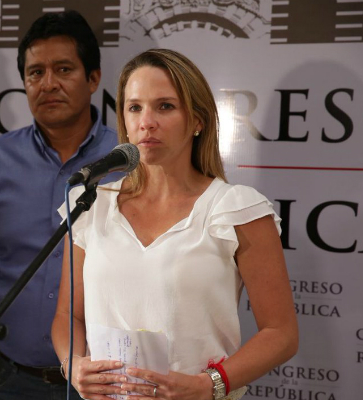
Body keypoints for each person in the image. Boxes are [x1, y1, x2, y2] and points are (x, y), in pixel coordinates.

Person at [52, 49, 298, 400]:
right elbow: (68, 315)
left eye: (164, 106)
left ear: (197, 120)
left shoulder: (237, 209)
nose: (146, 122)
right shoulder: (91, 204)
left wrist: (208, 384)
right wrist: (72, 365)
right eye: (134, 107)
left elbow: (281, 333)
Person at [0, 10, 121, 400]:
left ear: (93, 78)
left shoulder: (125, 160)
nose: (48, 84)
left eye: (63, 69)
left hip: (101, 380)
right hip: (9, 377)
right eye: (36, 73)